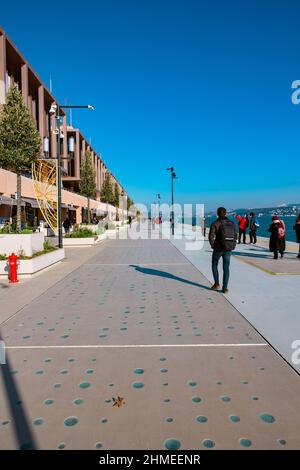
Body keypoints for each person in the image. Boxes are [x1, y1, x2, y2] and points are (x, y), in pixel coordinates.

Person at [209, 207, 237, 294]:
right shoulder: (232, 223)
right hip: (228, 248)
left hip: (218, 248)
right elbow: (235, 236)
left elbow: (211, 236)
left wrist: (213, 245)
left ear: (217, 213)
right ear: (226, 213)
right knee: (226, 268)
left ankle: (217, 284)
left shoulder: (215, 223)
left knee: (214, 264)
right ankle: (225, 288)